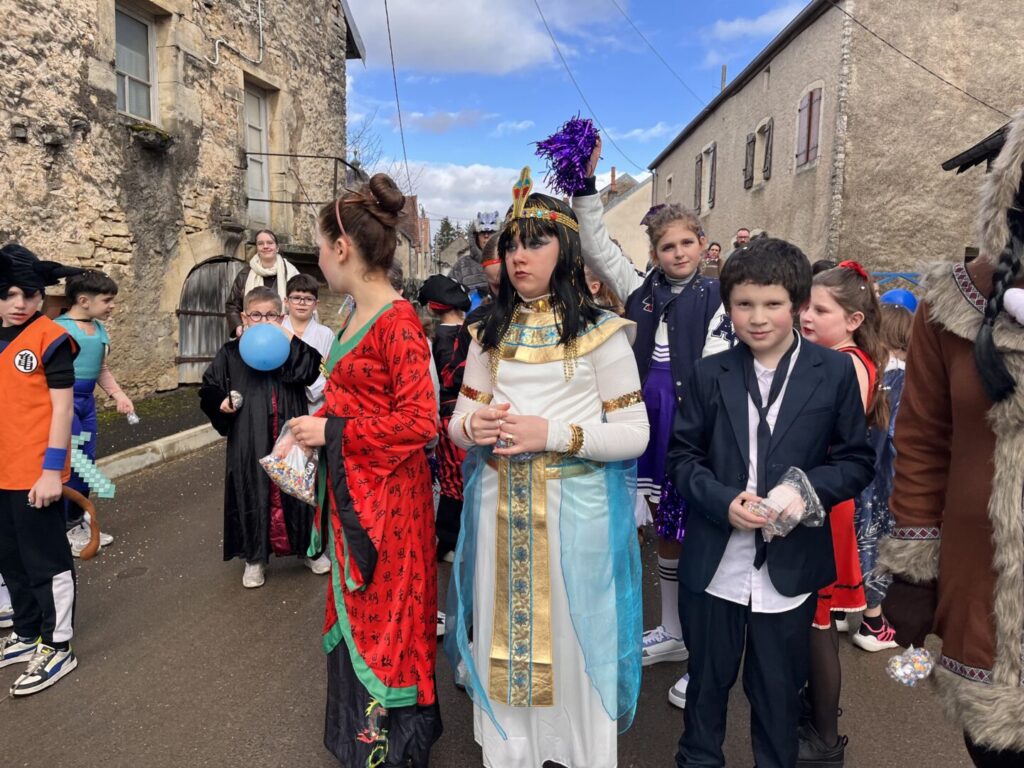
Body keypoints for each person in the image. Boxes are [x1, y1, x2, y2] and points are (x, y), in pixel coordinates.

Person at [445, 167, 649, 768]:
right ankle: (513, 755)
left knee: (571, 636)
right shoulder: (488, 331)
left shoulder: (602, 332)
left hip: (572, 514)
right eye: (511, 244)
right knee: (504, 634)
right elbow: (458, 423)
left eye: (535, 243)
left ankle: (577, 753)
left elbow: (634, 434)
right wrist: (472, 429)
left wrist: (552, 434)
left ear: (566, 250)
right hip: (499, 510)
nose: (518, 256)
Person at [667, 238, 874, 768]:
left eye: (772, 304)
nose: (757, 318)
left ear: (798, 304)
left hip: (790, 566)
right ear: (728, 305)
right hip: (716, 565)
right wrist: (721, 500)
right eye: (744, 304)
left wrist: (803, 490)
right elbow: (683, 458)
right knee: (705, 690)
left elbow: (856, 461)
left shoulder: (833, 372)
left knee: (778, 697)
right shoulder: (709, 373)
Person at [880, 110, 1024, 767]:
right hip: (983, 591)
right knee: (995, 749)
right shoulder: (954, 304)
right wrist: (913, 573)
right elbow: (922, 445)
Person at [573, 136, 732, 709]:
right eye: (668, 245)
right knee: (663, 531)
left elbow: (722, 370)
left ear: (703, 245)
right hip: (646, 425)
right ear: (655, 252)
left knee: (699, 536)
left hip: (693, 430)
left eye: (688, 242)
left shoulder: (721, 297)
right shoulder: (640, 291)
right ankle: (672, 631)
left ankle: (704, 652)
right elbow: (596, 247)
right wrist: (584, 187)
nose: (679, 253)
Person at [287, 174, 442, 766]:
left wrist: (332, 431)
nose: (320, 258)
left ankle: (389, 749)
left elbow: (420, 422)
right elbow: (361, 400)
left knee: (389, 619)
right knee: (361, 612)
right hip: (356, 492)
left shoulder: (398, 321)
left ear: (342, 247)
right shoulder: (354, 311)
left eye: (320, 247)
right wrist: (317, 423)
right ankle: (363, 741)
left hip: (390, 508)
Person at [798, 260, 890, 765]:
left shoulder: (846, 364)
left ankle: (825, 737)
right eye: (806, 307)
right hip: (820, 498)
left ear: (853, 320)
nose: (806, 316)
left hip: (823, 502)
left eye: (820, 310)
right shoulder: (839, 357)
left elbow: (829, 439)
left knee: (818, 622)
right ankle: (813, 715)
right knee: (812, 620)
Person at [0, 243, 84, 696]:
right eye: (9, 293)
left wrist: (52, 471)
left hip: (35, 474)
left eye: (29, 294)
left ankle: (57, 645)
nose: (19, 303)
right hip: (1, 472)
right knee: (9, 560)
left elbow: (62, 408)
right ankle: (27, 631)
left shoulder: (50, 338)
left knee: (45, 563)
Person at [199, 286, 325, 588]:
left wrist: (287, 336)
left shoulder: (290, 347)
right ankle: (255, 558)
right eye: (256, 315)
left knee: (298, 488)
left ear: (281, 317)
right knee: (250, 490)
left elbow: (312, 368)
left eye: (271, 315)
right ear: (245, 317)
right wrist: (221, 401)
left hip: (289, 431)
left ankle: (310, 549)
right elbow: (209, 387)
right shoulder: (231, 352)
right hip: (249, 435)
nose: (264, 320)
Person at [850, 300, 913, 653]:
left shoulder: (864, 369)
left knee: (849, 542)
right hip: (880, 481)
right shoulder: (900, 378)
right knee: (874, 546)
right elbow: (898, 439)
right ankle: (873, 623)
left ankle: (843, 606)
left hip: (850, 476)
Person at [54, 270, 131, 555]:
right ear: (84, 300)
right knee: (74, 466)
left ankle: (77, 521)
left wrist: (118, 395)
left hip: (86, 405)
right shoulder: (57, 330)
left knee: (86, 463)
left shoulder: (99, 329)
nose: (112, 306)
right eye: (107, 300)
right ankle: (67, 529)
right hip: (64, 405)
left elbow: (100, 369)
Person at [417, 275, 471, 562]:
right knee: (457, 479)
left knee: (456, 479)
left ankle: (452, 539)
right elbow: (450, 378)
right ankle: (449, 540)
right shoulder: (457, 335)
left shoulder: (438, 337)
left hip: (454, 413)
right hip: (456, 413)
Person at [225, 229, 299, 339]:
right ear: (257, 248)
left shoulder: (291, 273)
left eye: (270, 243)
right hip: (253, 335)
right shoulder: (245, 274)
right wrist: (237, 325)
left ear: (277, 247)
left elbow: (300, 302)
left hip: (285, 334)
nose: (265, 246)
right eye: (260, 243)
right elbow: (232, 305)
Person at [280, 273, 334, 414]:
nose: (302, 303)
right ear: (286, 301)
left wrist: (311, 389)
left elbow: (328, 370)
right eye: (296, 298)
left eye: (308, 299)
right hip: (282, 400)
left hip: (314, 404)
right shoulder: (278, 330)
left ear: (316, 304)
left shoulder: (325, 334)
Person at [449, 210, 500, 300]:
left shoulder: (508, 262)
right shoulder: (462, 265)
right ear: (476, 236)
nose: (486, 236)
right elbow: (448, 295)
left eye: (491, 232)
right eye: (482, 232)